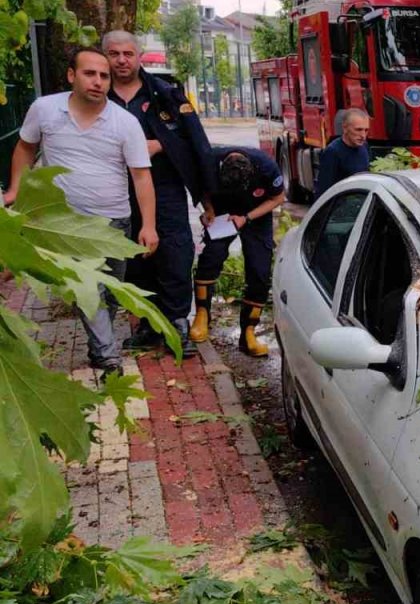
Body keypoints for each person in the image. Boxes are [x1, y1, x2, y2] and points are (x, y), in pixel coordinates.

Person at [4, 47, 158, 381]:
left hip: (114, 222)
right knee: (89, 291)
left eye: (104, 76)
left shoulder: (125, 122)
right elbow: (25, 147)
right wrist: (16, 189)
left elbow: (141, 176)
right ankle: (108, 360)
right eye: (90, 73)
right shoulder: (45, 110)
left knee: (111, 292)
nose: (99, 81)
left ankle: (98, 348)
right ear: (72, 75)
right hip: (66, 224)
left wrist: (148, 225)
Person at [104, 30, 214, 358]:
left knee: (175, 254)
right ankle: (150, 325)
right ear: (105, 57)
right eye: (114, 54)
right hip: (116, 191)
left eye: (128, 53)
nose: (121, 60)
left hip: (165, 190)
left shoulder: (166, 95)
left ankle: (177, 323)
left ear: (139, 56)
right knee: (133, 258)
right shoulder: (96, 97)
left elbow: (196, 144)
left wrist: (160, 145)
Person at [190, 146, 285, 356]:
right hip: (222, 212)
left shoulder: (267, 167)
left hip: (255, 214)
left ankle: (249, 332)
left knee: (259, 270)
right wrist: (209, 210)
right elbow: (200, 191)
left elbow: (278, 198)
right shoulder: (208, 162)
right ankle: (202, 315)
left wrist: (246, 218)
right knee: (210, 258)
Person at [315, 108, 370, 197]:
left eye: (366, 130)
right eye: (358, 130)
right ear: (345, 128)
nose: (363, 135)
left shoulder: (365, 147)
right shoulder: (333, 152)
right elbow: (323, 190)